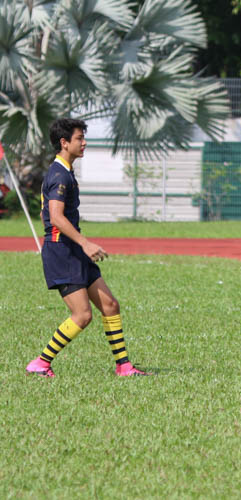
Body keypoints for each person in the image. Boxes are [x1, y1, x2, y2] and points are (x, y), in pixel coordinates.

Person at [25, 118, 150, 377]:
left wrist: (77, 243)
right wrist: (83, 242)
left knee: (110, 306)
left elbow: (45, 215)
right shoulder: (59, 174)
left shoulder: (64, 171)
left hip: (73, 249)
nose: (84, 143)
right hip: (64, 252)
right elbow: (56, 217)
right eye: (79, 138)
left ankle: (124, 366)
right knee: (82, 315)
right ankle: (40, 363)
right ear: (64, 142)